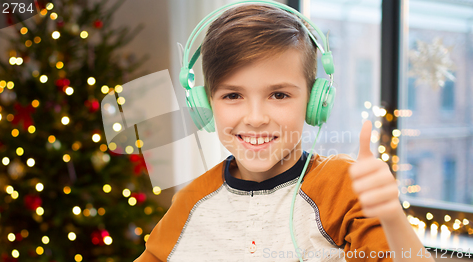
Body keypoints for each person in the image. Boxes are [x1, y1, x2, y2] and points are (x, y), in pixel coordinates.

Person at [135, 2, 435, 262]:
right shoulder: (191, 201)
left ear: (315, 101)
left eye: (278, 95)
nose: (255, 118)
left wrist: (392, 218)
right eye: (232, 96)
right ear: (205, 105)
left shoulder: (342, 189)